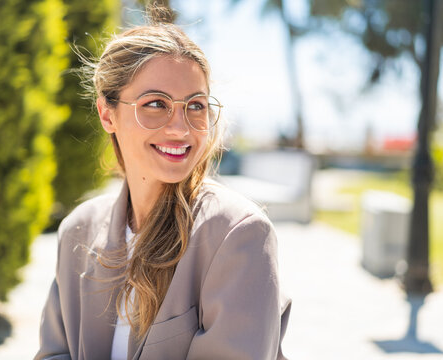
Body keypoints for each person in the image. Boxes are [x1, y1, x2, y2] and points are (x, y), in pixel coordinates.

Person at [35, 12, 291, 360]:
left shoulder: (239, 235)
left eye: (195, 106)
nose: (180, 128)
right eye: (156, 104)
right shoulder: (78, 230)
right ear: (107, 114)